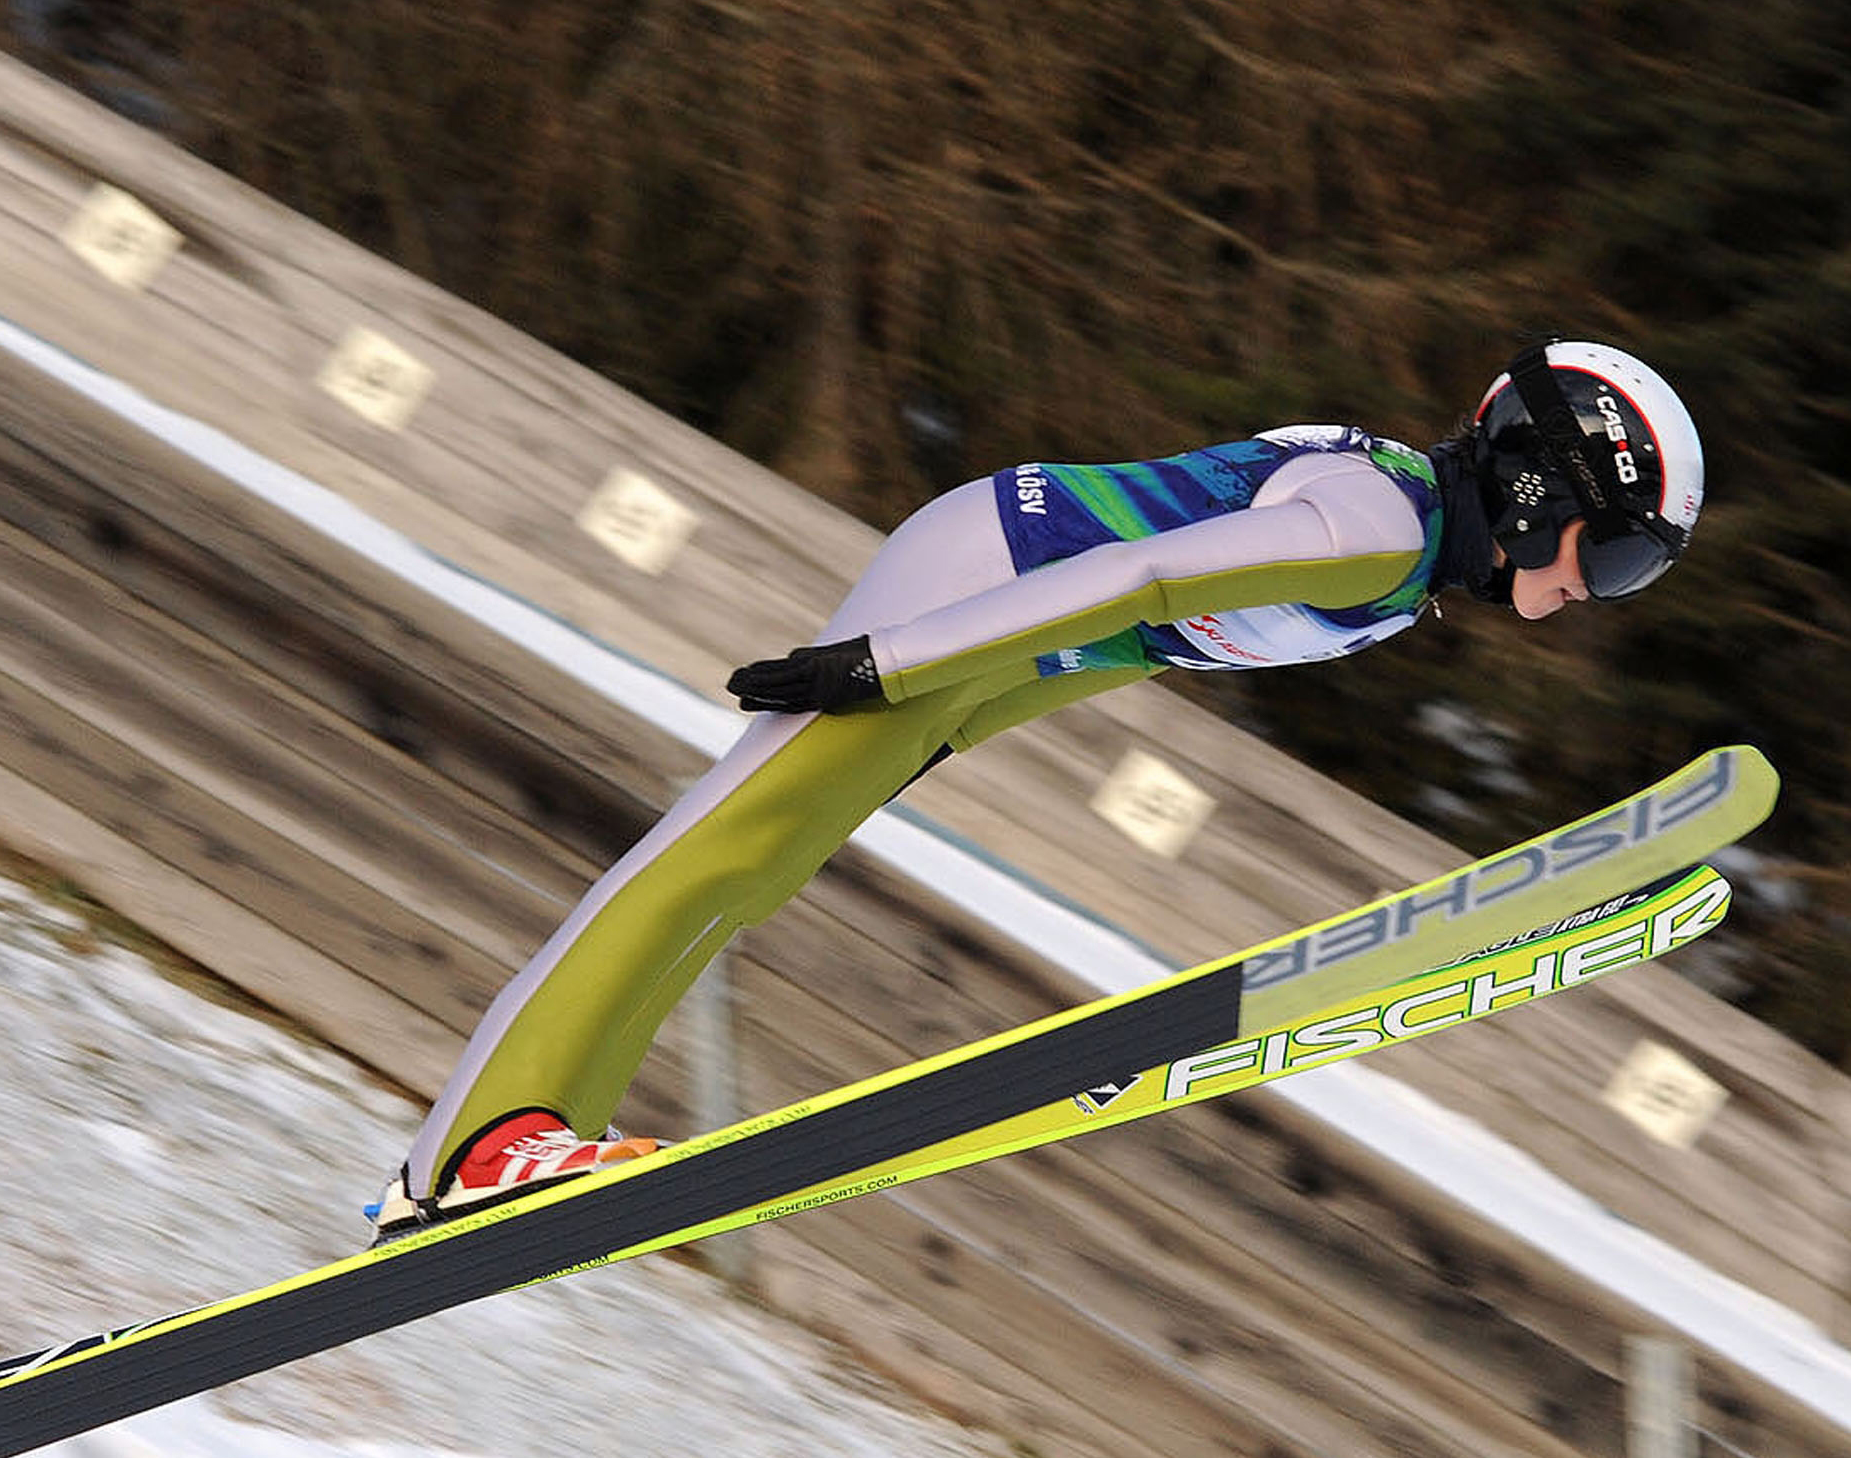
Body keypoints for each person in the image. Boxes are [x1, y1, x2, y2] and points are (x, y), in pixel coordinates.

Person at [369, 337, 1705, 1236]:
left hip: (1003, 637)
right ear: (1544, 487)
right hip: (984, 579)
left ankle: (532, 1142)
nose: (1595, 593)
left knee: (750, 870)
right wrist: (892, 663)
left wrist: (958, 714)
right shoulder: (1381, 529)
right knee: (718, 842)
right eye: (1615, 558)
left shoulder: (1403, 565)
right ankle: (468, 1153)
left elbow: (1135, 637)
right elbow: (1139, 576)